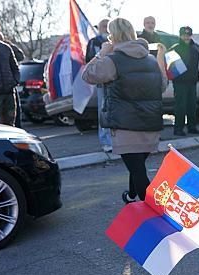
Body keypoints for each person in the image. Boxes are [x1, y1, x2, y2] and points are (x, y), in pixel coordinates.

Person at [81, 17, 167, 204]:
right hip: (150, 125)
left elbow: (87, 75)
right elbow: (162, 86)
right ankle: (131, 195)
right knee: (138, 166)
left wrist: (100, 54)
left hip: (125, 126)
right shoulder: (151, 59)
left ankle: (154, 215)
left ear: (113, 37)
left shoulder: (112, 60)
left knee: (138, 170)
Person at [86, 18, 113, 152]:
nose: (106, 28)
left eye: (108, 26)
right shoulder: (94, 42)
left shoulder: (116, 41)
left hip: (116, 81)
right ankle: (106, 142)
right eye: (103, 26)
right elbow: (89, 60)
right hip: (103, 83)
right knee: (103, 112)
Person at [169, 26, 199, 136]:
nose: (186, 37)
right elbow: (170, 66)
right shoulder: (174, 48)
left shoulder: (197, 48)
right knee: (180, 106)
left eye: (188, 35)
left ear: (191, 35)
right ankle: (178, 128)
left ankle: (192, 127)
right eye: (183, 34)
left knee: (192, 106)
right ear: (180, 35)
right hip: (179, 82)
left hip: (192, 81)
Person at [0, 32, 25, 128]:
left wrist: (9, 45)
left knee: (15, 112)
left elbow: (20, 56)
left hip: (9, 85)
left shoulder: (7, 49)